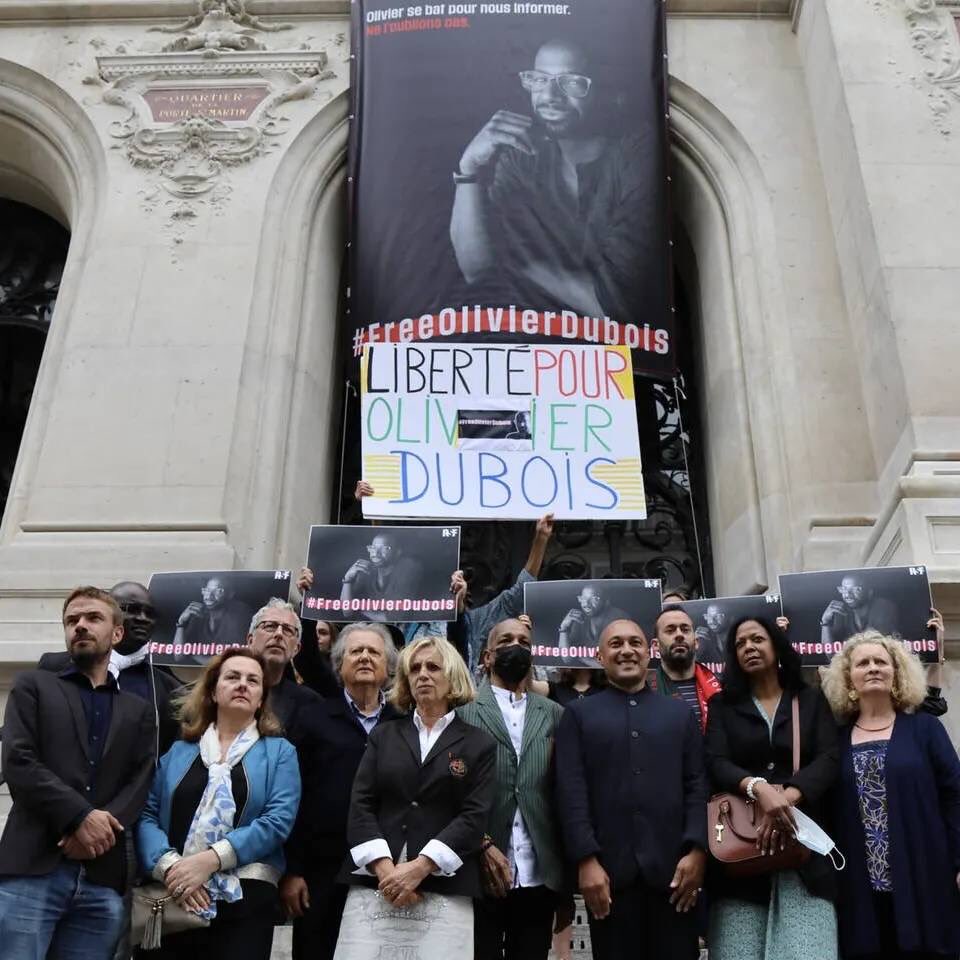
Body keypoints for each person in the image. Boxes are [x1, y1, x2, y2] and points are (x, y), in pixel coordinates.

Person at [449, 38, 660, 320]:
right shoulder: (523, 155)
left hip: (622, 356)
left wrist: (513, 261)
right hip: (536, 348)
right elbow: (477, 269)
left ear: (604, 90)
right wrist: (469, 169)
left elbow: (615, 305)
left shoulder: (638, 150)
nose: (550, 96)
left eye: (571, 82)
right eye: (539, 79)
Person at [0, 586, 156, 960]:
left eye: (93, 618)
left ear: (117, 634)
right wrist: (79, 817)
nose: (80, 626)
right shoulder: (33, 686)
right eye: (72, 620)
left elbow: (141, 779)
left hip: (101, 879)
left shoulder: (137, 709)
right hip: (31, 870)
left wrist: (99, 830)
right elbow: (18, 761)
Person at [333, 635, 496, 959]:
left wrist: (420, 868)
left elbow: (474, 816)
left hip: (444, 887)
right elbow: (362, 803)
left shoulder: (479, 744)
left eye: (433, 667)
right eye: (415, 668)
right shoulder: (384, 735)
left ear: (452, 678)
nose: (423, 674)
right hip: (377, 884)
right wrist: (386, 871)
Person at [555, 619, 708, 960]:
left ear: (650, 651)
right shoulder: (578, 716)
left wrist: (697, 851)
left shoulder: (679, 715)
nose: (626, 650)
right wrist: (586, 860)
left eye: (635, 643)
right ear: (599, 656)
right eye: (616, 644)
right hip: (608, 877)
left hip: (674, 875)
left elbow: (697, 785)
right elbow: (570, 791)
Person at [136, 647, 300, 960]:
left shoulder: (280, 752)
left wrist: (209, 861)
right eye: (233, 677)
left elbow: (277, 820)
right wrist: (174, 869)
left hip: (245, 903)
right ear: (213, 691)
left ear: (261, 697)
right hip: (175, 895)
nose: (243, 684)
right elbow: (146, 815)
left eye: (253, 680)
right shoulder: (179, 751)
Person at [704, 616, 840, 960]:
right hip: (739, 863)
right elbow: (715, 760)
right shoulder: (723, 706)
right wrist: (757, 788)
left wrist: (788, 798)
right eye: (740, 644)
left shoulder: (810, 700)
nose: (749, 647)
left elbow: (829, 757)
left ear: (776, 646)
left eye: (757, 639)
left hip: (804, 857)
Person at [821, 631, 960, 960]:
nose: (872, 668)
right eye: (863, 663)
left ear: (896, 673)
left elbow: (955, 797)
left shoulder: (925, 729)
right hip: (860, 888)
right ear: (848, 679)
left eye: (881, 662)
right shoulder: (834, 741)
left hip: (924, 876)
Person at [280, 623, 400, 960]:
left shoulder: (405, 723)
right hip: (320, 871)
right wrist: (293, 870)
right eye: (355, 651)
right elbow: (293, 797)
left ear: (388, 667)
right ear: (339, 664)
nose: (364, 657)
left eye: (373, 651)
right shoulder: (313, 718)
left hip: (385, 871)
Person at [458, 618, 566, 960]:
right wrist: (481, 844)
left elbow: (564, 794)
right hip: (478, 871)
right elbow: (450, 792)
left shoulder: (555, 714)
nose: (516, 646)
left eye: (523, 641)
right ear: (488, 656)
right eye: (506, 640)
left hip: (539, 873)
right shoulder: (462, 714)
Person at [38, 580, 181, 759]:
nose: (143, 618)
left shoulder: (168, 685)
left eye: (150, 613)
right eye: (131, 609)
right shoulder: (53, 667)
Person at [245, 598, 323, 736]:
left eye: (288, 630)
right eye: (270, 626)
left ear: (296, 649)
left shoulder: (310, 703)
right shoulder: (219, 688)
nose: (279, 634)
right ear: (250, 640)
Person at [648, 604, 721, 733]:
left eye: (685, 629)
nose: (679, 635)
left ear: (696, 642)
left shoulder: (719, 687)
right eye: (670, 630)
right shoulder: (644, 690)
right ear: (655, 645)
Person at [339, 531, 424, 619]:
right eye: (373, 548)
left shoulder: (408, 568)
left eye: (384, 548)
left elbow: (394, 618)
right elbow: (347, 611)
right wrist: (348, 579)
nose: (376, 553)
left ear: (397, 552)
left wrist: (358, 610)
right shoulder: (366, 570)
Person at [174, 576, 254, 649]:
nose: (209, 596)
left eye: (217, 591)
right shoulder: (198, 613)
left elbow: (232, 656)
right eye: (207, 590)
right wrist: (181, 624)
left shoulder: (240, 612)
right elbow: (178, 655)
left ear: (230, 594)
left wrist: (191, 655)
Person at [820, 574, 899, 645]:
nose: (847, 594)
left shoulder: (883, 606)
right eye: (843, 589)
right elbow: (831, 655)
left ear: (869, 592)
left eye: (856, 589)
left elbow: (874, 649)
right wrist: (826, 622)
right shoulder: (841, 611)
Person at [557, 585, 629, 651]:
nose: (586, 604)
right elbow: (567, 658)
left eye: (594, 599)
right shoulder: (579, 618)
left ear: (606, 601)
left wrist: (581, 657)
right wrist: (564, 627)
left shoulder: (620, 618)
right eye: (583, 598)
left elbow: (614, 661)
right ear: (579, 599)